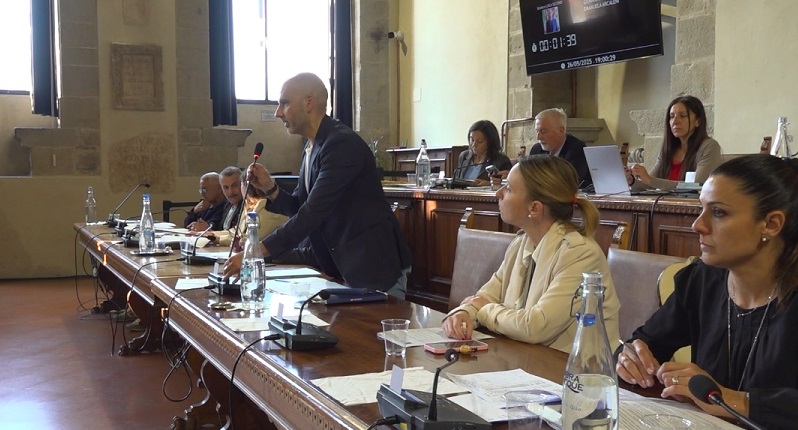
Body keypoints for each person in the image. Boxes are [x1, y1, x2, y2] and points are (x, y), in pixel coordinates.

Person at [616, 154, 798, 429]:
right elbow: (646, 342)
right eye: (701, 209)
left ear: (771, 224)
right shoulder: (702, 281)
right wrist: (631, 359)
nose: (697, 225)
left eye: (719, 212)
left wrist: (732, 400)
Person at [222, 73, 413, 297]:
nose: (278, 112)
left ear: (309, 103)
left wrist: (256, 251)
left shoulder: (340, 144)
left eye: (284, 103)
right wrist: (270, 188)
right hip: (343, 269)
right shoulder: (312, 146)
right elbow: (299, 207)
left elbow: (313, 212)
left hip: (373, 269)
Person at [442, 154, 620, 353]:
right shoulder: (521, 243)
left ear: (534, 208)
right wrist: (465, 312)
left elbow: (535, 327)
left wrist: (483, 311)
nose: (498, 193)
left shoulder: (580, 254)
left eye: (509, 188)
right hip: (526, 358)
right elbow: (487, 295)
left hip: (572, 368)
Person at [627, 95, 722, 190]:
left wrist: (650, 180)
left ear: (698, 121)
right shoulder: (669, 149)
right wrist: (630, 180)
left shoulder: (710, 146)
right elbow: (649, 184)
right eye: (672, 116)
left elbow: (696, 186)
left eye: (683, 116)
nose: (675, 121)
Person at [211, 178, 288, 248]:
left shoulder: (267, 205)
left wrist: (218, 239)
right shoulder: (249, 205)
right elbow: (236, 232)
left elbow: (253, 238)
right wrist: (211, 234)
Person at [529, 108, 593, 190]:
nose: (538, 137)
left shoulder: (577, 150)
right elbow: (527, 178)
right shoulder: (537, 149)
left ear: (561, 131)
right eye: (537, 131)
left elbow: (566, 183)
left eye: (543, 131)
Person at [454, 120, 512, 186]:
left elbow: (508, 186)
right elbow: (456, 181)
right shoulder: (464, 156)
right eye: (472, 140)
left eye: (479, 141)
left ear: (490, 142)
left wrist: (489, 184)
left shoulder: (501, 161)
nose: (474, 144)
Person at [217, 166, 244, 231]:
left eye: (235, 186)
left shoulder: (248, 206)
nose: (230, 192)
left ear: (243, 185)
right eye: (226, 187)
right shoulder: (226, 205)